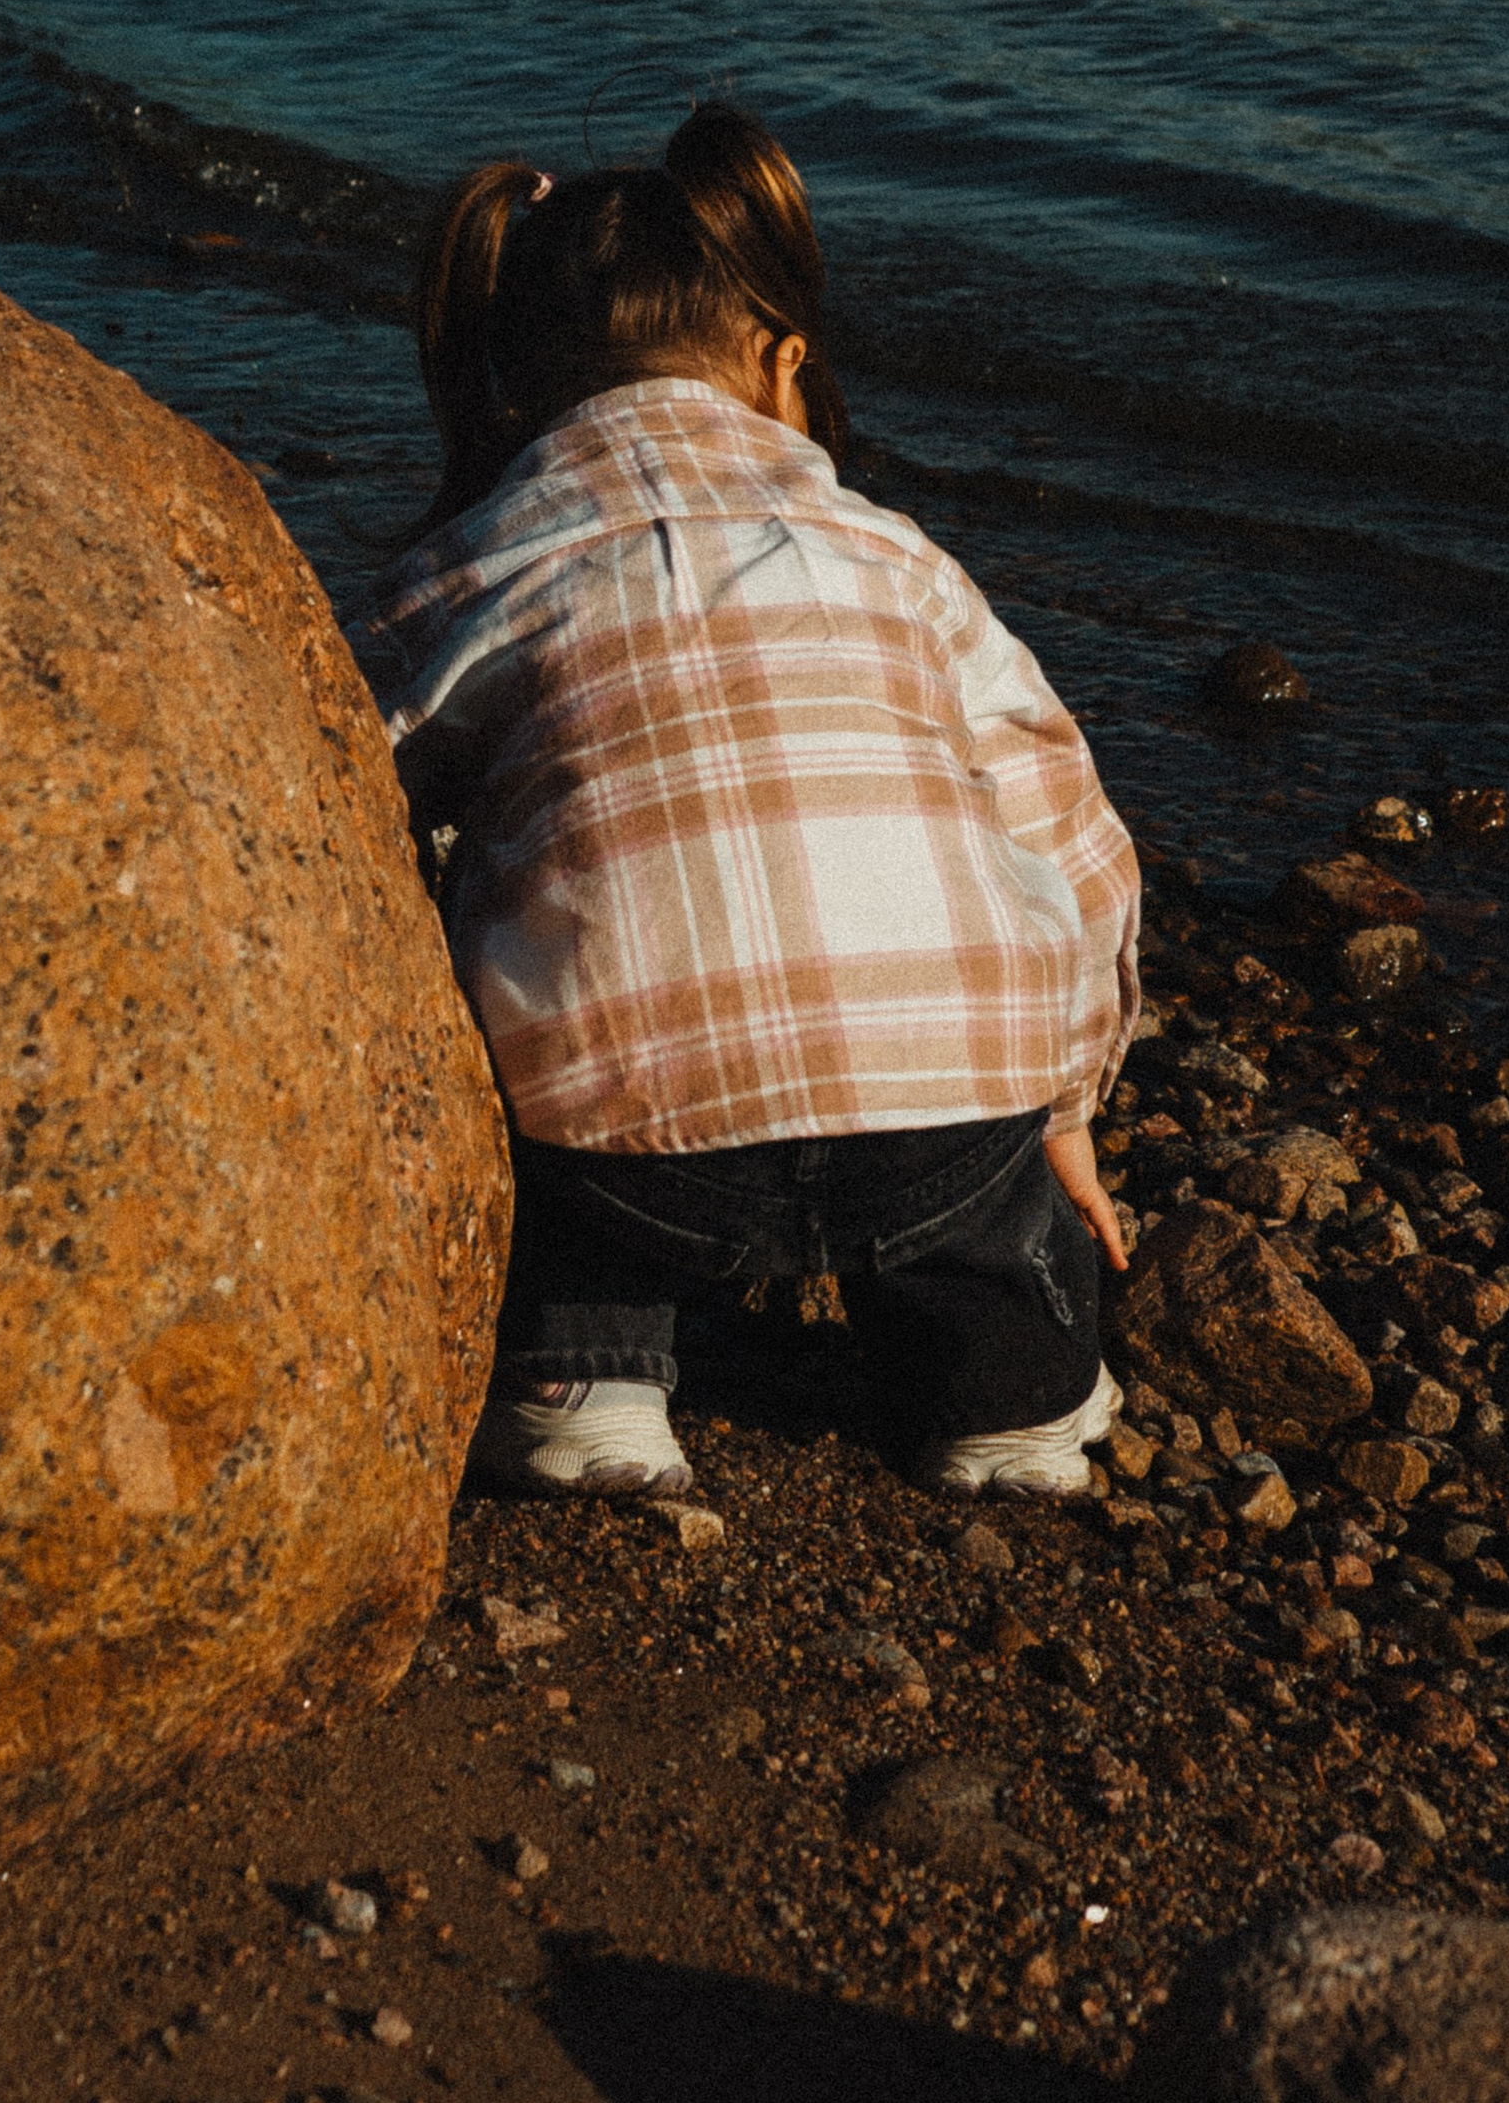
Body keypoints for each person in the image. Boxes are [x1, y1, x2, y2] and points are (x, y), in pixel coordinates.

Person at [360, 105, 1139, 1501]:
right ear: (782, 361)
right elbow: (1068, 830)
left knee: (559, 1116)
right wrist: (1064, 1106)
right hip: (941, 1137)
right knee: (1004, 1231)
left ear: (502, 371)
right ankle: (1009, 1405)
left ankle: (586, 1377)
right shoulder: (898, 560)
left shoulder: (455, 581)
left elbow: (355, 818)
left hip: (632, 1160)